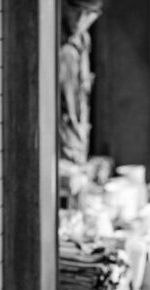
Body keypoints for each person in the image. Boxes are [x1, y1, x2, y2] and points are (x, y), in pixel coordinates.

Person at [59, 0, 103, 166]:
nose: (79, 20)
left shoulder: (83, 39)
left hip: (77, 144)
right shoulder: (61, 47)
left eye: (87, 14)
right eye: (75, 11)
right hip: (62, 148)